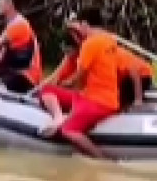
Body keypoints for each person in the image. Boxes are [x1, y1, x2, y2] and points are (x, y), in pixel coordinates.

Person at [37, 9, 144, 160]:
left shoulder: (90, 44)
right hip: (101, 97)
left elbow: (78, 78)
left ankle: (102, 159)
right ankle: (59, 117)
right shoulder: (109, 40)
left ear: (86, 24)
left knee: (69, 130)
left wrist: (66, 84)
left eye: (80, 25)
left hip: (97, 101)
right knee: (48, 90)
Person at [0, 0, 43, 94]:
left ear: (9, 6)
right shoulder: (12, 25)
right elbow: (1, 56)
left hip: (27, 76)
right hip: (17, 72)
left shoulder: (18, 25)